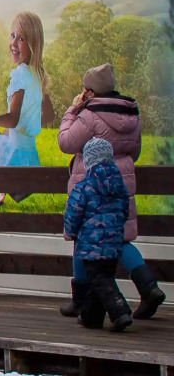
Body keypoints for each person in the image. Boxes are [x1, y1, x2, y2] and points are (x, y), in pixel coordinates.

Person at [57, 62, 163, 319]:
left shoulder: (89, 114)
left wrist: (73, 109)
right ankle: (149, 287)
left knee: (83, 236)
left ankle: (80, 300)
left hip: (91, 182)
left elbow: (65, 142)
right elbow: (134, 152)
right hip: (121, 182)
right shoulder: (131, 113)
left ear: (90, 92)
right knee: (121, 237)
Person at [0, 11, 52, 206]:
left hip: (14, 156)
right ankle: (1, 194)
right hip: (29, 155)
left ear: (33, 45)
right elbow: (49, 115)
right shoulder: (38, 76)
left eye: (21, 39)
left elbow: (12, 119)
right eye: (12, 36)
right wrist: (27, 124)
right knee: (2, 136)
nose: (14, 43)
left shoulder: (19, 76)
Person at [63, 138, 135, 332]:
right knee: (100, 281)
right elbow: (124, 212)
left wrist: (70, 231)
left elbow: (73, 213)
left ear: (88, 161)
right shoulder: (120, 186)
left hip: (91, 245)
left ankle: (120, 311)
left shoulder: (84, 187)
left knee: (99, 280)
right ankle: (91, 318)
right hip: (113, 245)